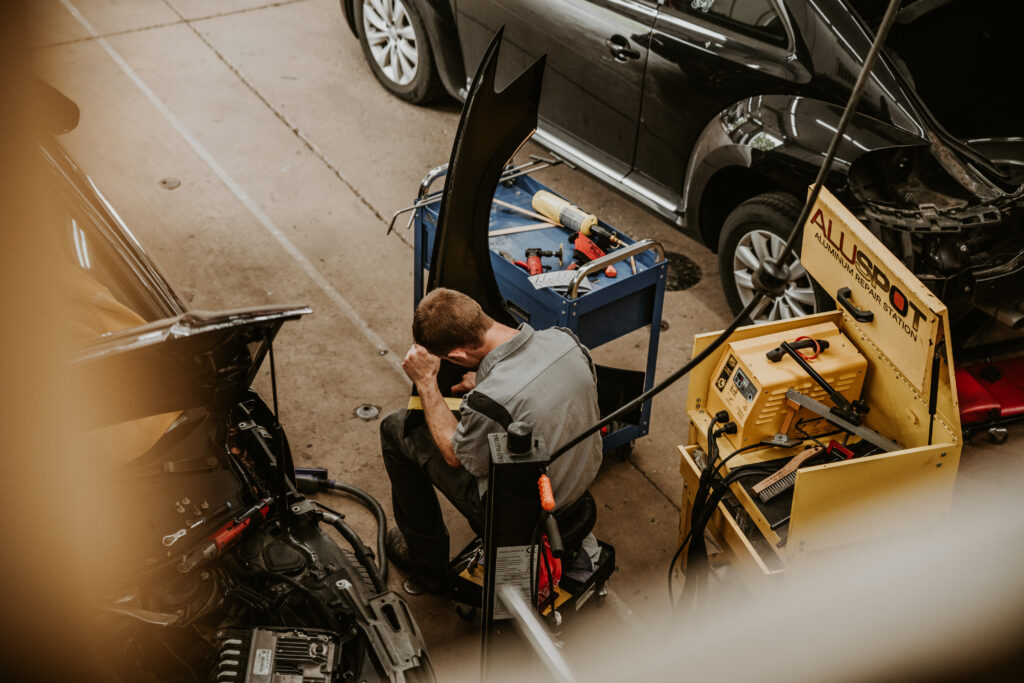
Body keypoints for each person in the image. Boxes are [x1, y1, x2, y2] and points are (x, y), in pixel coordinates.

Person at [380, 287, 603, 592]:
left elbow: (454, 456)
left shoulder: (489, 400)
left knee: (395, 428)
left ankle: (426, 565)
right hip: (578, 482)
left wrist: (426, 382)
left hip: (530, 514)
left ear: (458, 356)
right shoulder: (566, 340)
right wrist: (485, 375)